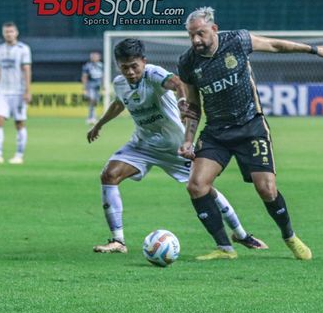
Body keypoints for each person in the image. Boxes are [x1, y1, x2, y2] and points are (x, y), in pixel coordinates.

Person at [177, 7, 323, 260]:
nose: (196, 40)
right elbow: (193, 105)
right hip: (217, 131)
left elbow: (274, 45)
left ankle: (290, 237)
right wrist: (187, 140)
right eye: (191, 36)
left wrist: (313, 49)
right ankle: (225, 248)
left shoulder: (237, 41)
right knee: (196, 185)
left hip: (251, 127)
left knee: (267, 190)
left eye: (201, 34)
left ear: (214, 29)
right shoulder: (188, 63)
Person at [87, 38, 267, 254]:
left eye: (134, 66)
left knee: (204, 188)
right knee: (109, 175)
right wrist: (99, 124)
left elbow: (179, 83)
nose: (131, 72)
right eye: (125, 68)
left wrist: (183, 103)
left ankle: (241, 234)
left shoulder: (153, 74)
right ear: (118, 66)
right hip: (143, 145)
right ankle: (118, 241)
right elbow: (119, 103)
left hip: (176, 147)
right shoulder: (120, 83)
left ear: (143, 61)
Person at [0, 22, 32, 165]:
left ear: (16, 33)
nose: (9, 34)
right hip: (2, 91)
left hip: (18, 92)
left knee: (19, 123)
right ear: (3, 34)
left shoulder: (23, 49)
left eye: (11, 31)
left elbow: (26, 70)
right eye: (6, 32)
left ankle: (19, 155)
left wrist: (27, 91)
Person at [82, 51, 103, 125]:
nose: (94, 58)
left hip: (98, 86)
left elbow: (103, 76)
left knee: (95, 102)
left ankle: (92, 117)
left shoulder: (101, 66)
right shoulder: (87, 66)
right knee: (92, 99)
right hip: (90, 85)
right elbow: (85, 77)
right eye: (93, 56)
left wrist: (104, 85)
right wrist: (84, 88)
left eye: (96, 56)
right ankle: (91, 117)